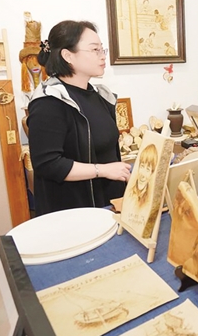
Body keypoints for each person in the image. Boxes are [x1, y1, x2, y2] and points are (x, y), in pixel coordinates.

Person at [27, 20, 130, 216]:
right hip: (73, 213)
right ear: (68, 56)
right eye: (95, 50)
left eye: (102, 49)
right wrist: (103, 170)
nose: (103, 56)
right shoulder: (49, 102)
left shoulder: (100, 96)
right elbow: (48, 164)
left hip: (109, 206)